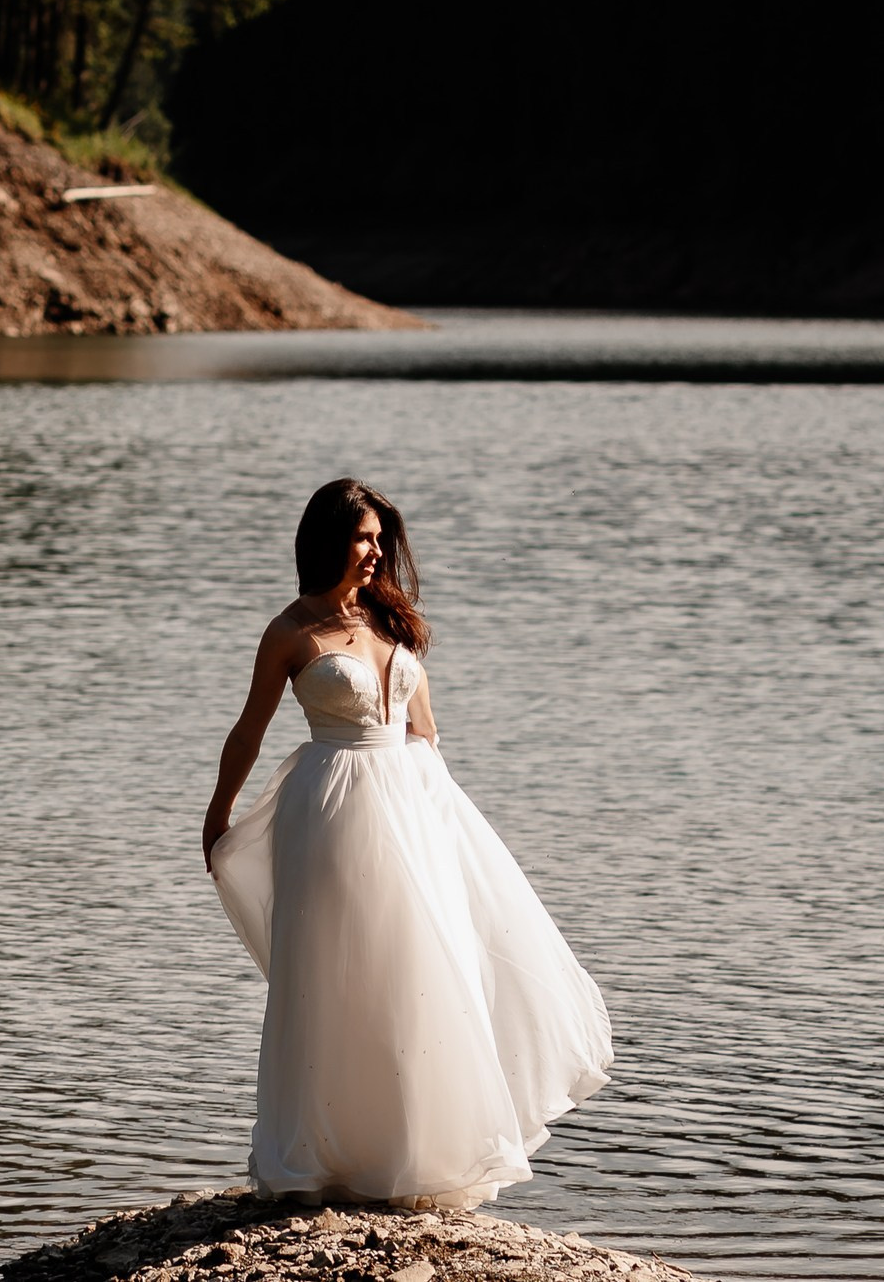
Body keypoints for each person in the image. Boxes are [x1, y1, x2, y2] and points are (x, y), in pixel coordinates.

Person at [203, 478, 614, 1208]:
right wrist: (219, 812)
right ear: (328, 540)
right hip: (330, 807)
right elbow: (248, 730)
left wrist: (446, 819)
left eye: (380, 536)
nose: (376, 550)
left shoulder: (395, 620)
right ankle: (322, 1155)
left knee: (425, 968)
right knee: (334, 972)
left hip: (413, 803)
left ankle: (411, 1153)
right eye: (363, 536)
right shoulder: (291, 630)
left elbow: (425, 730)